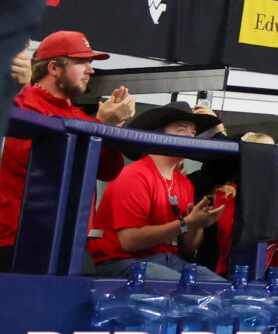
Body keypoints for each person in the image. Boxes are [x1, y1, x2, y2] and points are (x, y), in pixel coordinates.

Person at [0, 31, 134, 267]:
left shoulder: (78, 115)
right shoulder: (25, 100)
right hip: (20, 240)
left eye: (90, 63)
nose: (90, 70)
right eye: (81, 62)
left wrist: (110, 131)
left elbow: (107, 171)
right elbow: (43, 161)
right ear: (53, 68)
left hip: (69, 241)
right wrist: (101, 126)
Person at [87, 102, 224, 277]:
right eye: (181, 131)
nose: (190, 139)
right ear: (158, 135)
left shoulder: (184, 183)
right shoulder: (135, 175)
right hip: (121, 261)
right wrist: (186, 223)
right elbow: (129, 242)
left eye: (193, 133)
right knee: (180, 288)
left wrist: (197, 224)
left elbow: (187, 251)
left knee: (220, 290)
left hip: (168, 261)